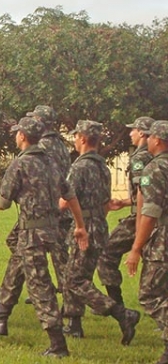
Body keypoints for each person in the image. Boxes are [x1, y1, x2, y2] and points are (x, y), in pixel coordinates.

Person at [0, 117, 88, 358]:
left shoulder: (19, 165)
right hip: (51, 229)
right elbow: (70, 195)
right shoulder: (52, 163)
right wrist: (80, 225)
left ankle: (57, 344)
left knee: (40, 287)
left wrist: (13, 195)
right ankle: (0, 318)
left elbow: (1, 203)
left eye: (16, 133)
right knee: (14, 271)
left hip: (31, 233)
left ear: (22, 136)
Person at [62, 120, 140, 343]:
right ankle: (74, 324)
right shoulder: (103, 168)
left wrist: (77, 224)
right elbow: (106, 204)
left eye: (76, 136)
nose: (75, 140)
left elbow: (68, 199)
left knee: (74, 280)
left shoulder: (79, 167)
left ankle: (122, 313)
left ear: (83, 139)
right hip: (99, 227)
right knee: (79, 276)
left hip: (83, 228)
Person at [98, 117, 154, 305]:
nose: (130, 133)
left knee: (106, 254)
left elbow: (142, 192)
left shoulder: (140, 157)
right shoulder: (158, 156)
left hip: (140, 217)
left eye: (134, 130)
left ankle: (116, 304)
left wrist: (138, 224)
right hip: (156, 216)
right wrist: (123, 202)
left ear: (142, 133)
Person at [125, 120, 168, 364]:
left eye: (151, 136)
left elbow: (150, 213)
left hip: (163, 237)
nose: (147, 139)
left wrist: (136, 247)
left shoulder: (155, 169)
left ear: (158, 141)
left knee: (150, 294)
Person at [24, 105, 71, 301]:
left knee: (59, 258)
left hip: (48, 209)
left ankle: (65, 298)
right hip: (60, 205)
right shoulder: (61, 144)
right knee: (57, 255)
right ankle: (42, 287)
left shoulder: (43, 146)